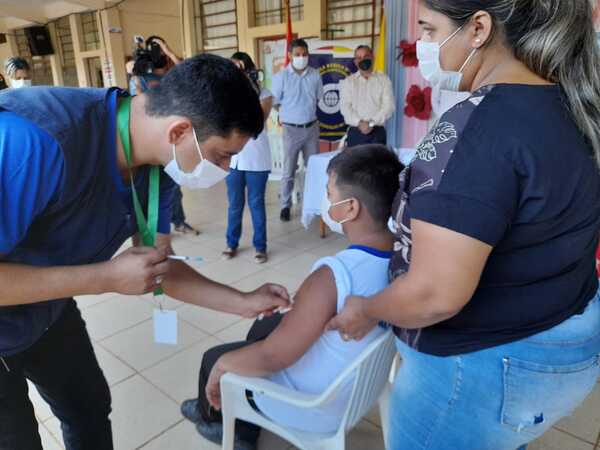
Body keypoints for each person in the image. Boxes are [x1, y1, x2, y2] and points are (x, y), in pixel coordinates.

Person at [327, 1, 600, 450]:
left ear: (478, 28)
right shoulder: (569, 102)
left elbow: (435, 294)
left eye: (430, 30)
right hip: (564, 336)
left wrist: (367, 308)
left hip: (485, 365)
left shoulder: (472, 128)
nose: (424, 46)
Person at [0, 54, 290, 450]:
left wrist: (242, 302)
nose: (226, 167)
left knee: (88, 407)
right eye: (223, 154)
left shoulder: (160, 163)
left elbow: (159, 268)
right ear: (180, 131)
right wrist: (104, 278)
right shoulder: (35, 143)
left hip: (47, 309)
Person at [180, 145, 402, 450]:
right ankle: (213, 413)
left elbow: (274, 357)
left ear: (351, 208)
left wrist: (223, 365)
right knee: (261, 330)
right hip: (354, 394)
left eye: (329, 193)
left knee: (215, 358)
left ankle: (224, 426)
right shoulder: (405, 259)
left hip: (311, 406)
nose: (327, 201)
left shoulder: (333, 274)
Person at [222, 52, 273, 264]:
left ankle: (260, 247)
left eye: (240, 68)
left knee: (256, 203)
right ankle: (231, 243)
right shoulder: (226, 94)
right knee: (234, 204)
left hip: (256, 159)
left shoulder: (264, 94)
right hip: (233, 158)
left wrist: (248, 92)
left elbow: (257, 123)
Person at [271, 38, 323, 222]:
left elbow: (318, 99)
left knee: (314, 169)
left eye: (305, 54)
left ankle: (314, 204)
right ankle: (285, 205)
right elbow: (275, 103)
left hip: (311, 128)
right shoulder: (281, 77)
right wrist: (290, 114)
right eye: (298, 55)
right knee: (288, 170)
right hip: (291, 130)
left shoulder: (316, 75)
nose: (302, 58)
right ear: (290, 55)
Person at [339, 45, 395, 147]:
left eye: (366, 56)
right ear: (355, 62)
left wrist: (371, 123)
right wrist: (360, 123)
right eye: (359, 58)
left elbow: (388, 106)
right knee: (355, 163)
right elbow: (345, 107)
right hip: (355, 132)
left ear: (372, 57)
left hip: (377, 133)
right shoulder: (348, 82)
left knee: (377, 163)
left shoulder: (384, 80)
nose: (363, 60)